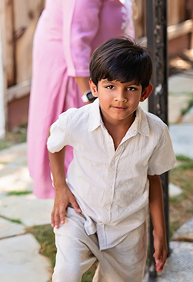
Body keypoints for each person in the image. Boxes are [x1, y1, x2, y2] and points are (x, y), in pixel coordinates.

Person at [27, 0, 137, 199]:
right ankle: (78, 208)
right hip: (74, 72)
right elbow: (76, 40)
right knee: (80, 146)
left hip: (95, 66)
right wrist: (89, 100)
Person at [48, 38, 175, 281]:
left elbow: (153, 178)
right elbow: (53, 143)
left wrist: (159, 230)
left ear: (145, 92)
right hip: (79, 214)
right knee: (67, 273)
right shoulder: (77, 121)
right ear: (94, 88)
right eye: (110, 87)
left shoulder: (155, 132)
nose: (120, 97)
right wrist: (60, 186)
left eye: (130, 88)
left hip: (127, 229)